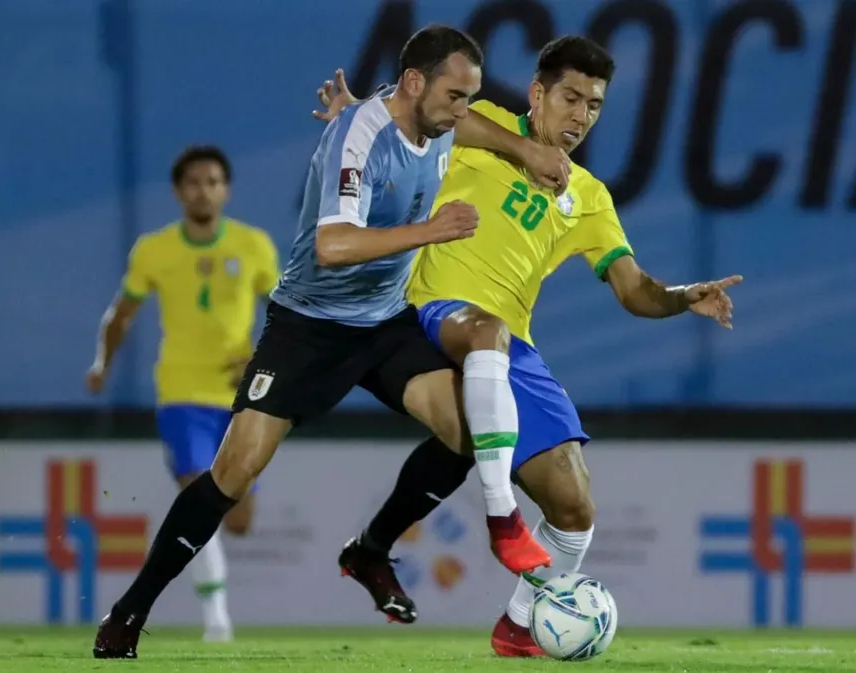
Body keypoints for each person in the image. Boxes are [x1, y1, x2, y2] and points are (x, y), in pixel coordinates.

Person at [92, 25, 571, 659]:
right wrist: (432, 230)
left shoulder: (434, 117)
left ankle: (370, 550)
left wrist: (525, 152)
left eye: (470, 98)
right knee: (231, 477)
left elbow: (473, 129)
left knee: (468, 430)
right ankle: (129, 612)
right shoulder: (359, 137)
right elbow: (333, 246)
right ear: (413, 84)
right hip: (310, 326)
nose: (464, 111)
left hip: (383, 322)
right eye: (456, 96)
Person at [313, 35, 741, 656]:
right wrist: (359, 112)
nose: (580, 116)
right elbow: (417, 120)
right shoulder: (477, 126)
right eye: (570, 97)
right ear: (538, 93)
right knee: (481, 355)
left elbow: (634, 290)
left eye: (594, 106)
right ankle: (498, 514)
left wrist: (681, 296)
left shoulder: (588, 196)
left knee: (575, 509)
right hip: (433, 310)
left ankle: (518, 626)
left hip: (511, 345)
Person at [86, 145, 278, 643]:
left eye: (213, 182)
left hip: (239, 397)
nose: (204, 190)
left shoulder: (253, 246)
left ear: (226, 189)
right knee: (200, 491)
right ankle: (217, 619)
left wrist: (260, 360)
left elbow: (284, 317)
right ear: (177, 192)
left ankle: (185, 545)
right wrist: (102, 364)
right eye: (194, 182)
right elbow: (121, 312)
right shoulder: (154, 250)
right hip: (182, 391)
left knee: (237, 520)